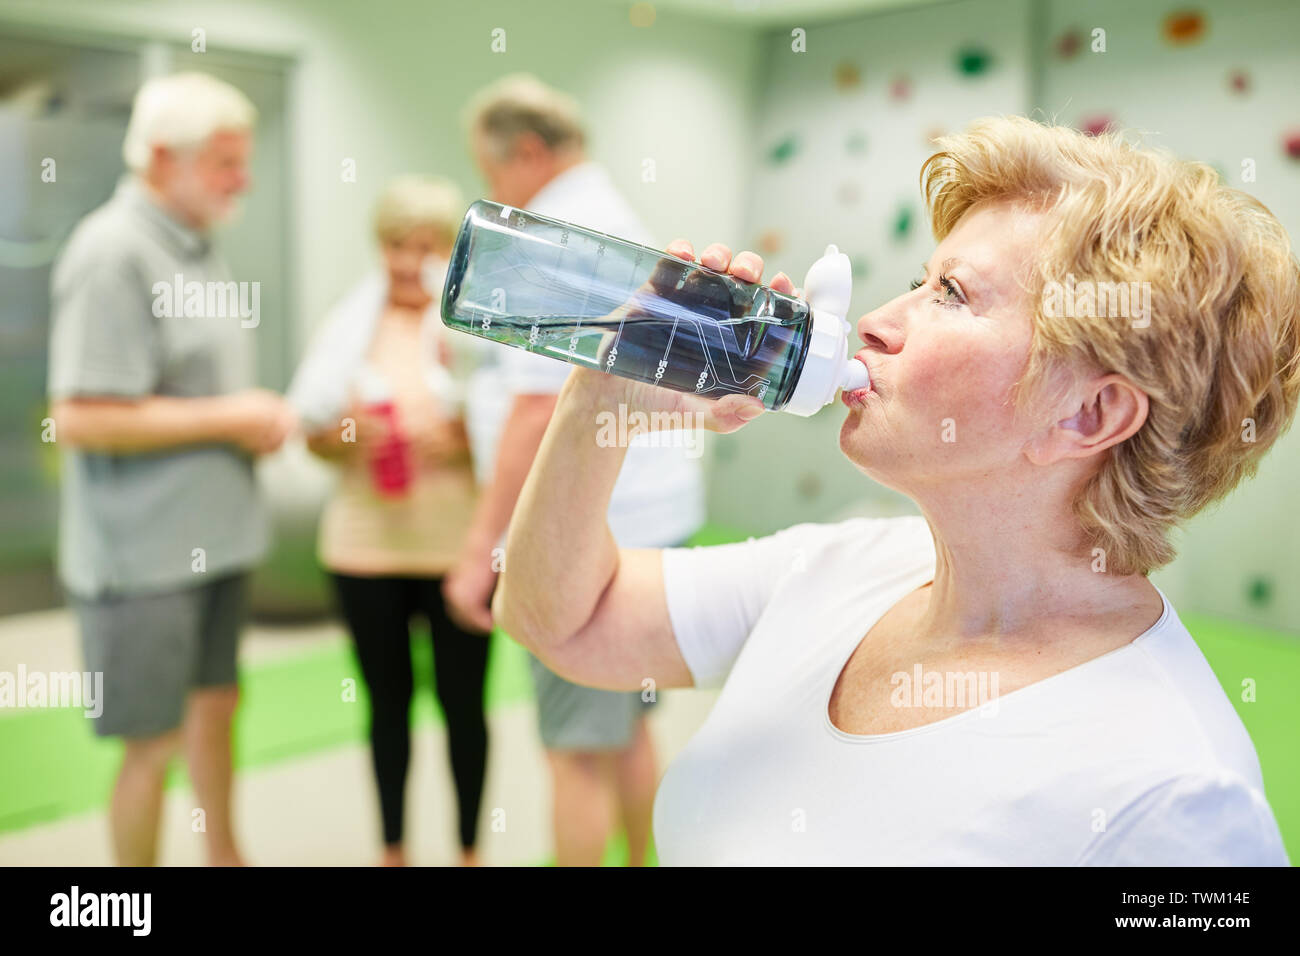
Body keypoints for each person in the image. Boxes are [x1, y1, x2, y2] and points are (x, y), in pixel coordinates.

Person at [494, 115, 1298, 865]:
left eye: (952, 294)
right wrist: (605, 394)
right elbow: (563, 620)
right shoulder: (851, 564)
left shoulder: (1175, 798)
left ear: (1088, 413)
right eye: (924, 280)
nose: (877, 320)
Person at [446, 74, 705, 865]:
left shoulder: (550, 234)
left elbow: (534, 411)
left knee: (574, 751)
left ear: (527, 153)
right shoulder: (611, 214)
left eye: (492, 174)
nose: (492, 192)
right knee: (622, 724)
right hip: (655, 519)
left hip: (594, 532)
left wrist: (481, 546)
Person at [47, 72, 297, 866]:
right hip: (141, 560)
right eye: (225, 162)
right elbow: (80, 416)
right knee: (150, 746)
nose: (243, 180)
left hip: (216, 545)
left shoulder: (196, 244)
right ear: (162, 158)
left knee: (217, 707)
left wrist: (249, 421)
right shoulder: (110, 252)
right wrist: (234, 416)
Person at [289, 176, 487, 867]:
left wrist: (462, 442)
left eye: (425, 246)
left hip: (456, 550)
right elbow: (310, 432)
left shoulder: (477, 332)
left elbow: (518, 432)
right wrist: (345, 437)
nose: (408, 262)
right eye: (395, 246)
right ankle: (393, 851)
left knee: (465, 707)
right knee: (387, 706)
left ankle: (468, 849)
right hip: (363, 548)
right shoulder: (349, 327)